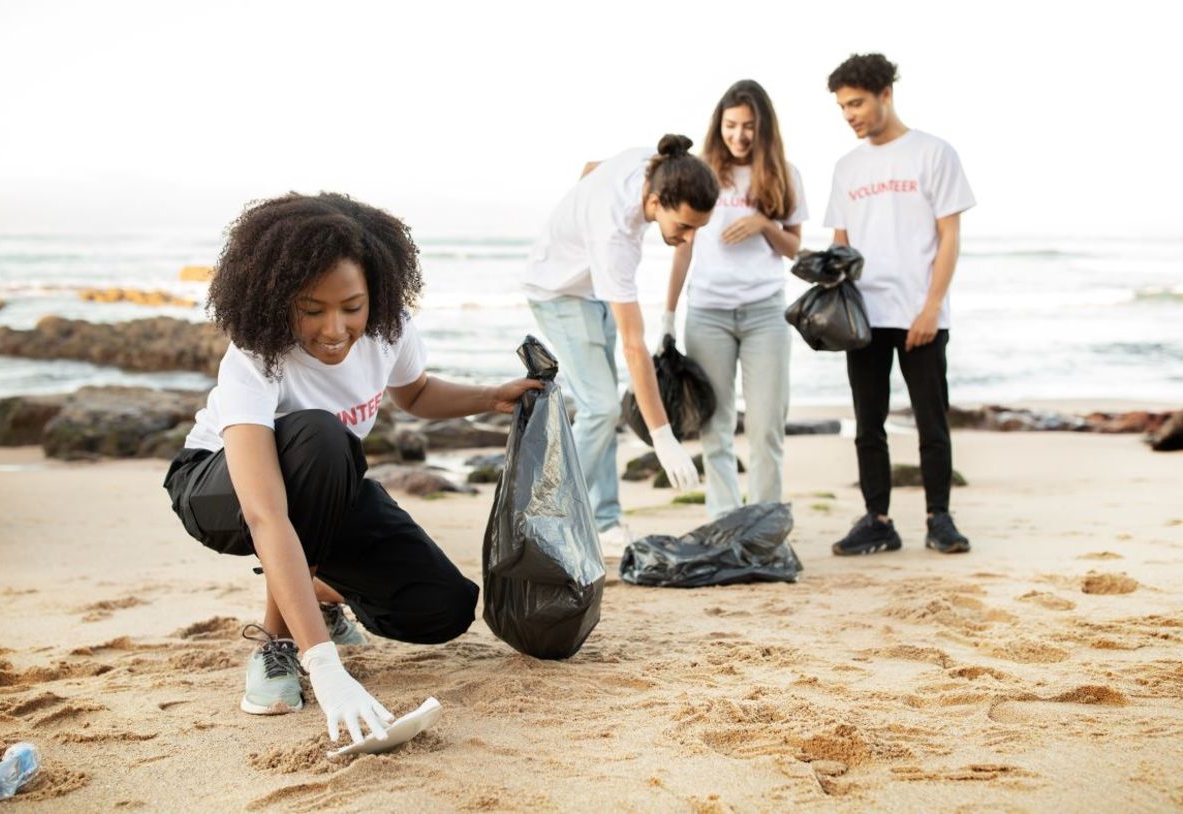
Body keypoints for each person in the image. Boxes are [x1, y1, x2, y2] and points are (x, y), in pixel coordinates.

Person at [162, 192, 542, 746]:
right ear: (277, 298)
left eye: (352, 307)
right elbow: (266, 513)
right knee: (322, 435)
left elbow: (414, 392)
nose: (335, 328)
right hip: (218, 490)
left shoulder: (389, 328)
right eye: (312, 309)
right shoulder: (257, 354)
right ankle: (277, 643)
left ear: (375, 295)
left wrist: (490, 396)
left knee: (442, 608)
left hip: (323, 489)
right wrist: (325, 667)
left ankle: (314, 591)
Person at [522, 134, 718, 557]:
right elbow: (635, 345)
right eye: (682, 226)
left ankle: (604, 520)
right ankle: (542, 520)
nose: (686, 239)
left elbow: (592, 166)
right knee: (601, 406)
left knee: (604, 405)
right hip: (557, 291)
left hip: (592, 288)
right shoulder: (616, 237)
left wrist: (577, 227)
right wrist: (663, 438)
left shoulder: (656, 162)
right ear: (656, 202)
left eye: (696, 229)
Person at [822, 53, 976, 556]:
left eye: (857, 103)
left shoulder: (933, 153)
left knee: (931, 422)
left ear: (886, 94)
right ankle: (878, 520)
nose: (850, 115)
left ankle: (940, 519)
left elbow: (949, 237)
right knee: (869, 424)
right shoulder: (847, 167)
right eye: (843, 107)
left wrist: (932, 307)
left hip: (920, 313)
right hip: (863, 316)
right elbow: (841, 246)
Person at [662, 79, 807, 518]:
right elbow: (683, 245)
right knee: (716, 426)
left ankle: (762, 522)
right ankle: (723, 521)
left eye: (748, 126)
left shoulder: (784, 173)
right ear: (718, 124)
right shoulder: (702, 171)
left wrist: (764, 224)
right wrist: (668, 315)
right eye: (731, 125)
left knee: (765, 428)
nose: (739, 135)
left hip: (765, 312)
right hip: (708, 313)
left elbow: (795, 248)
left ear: (763, 127)